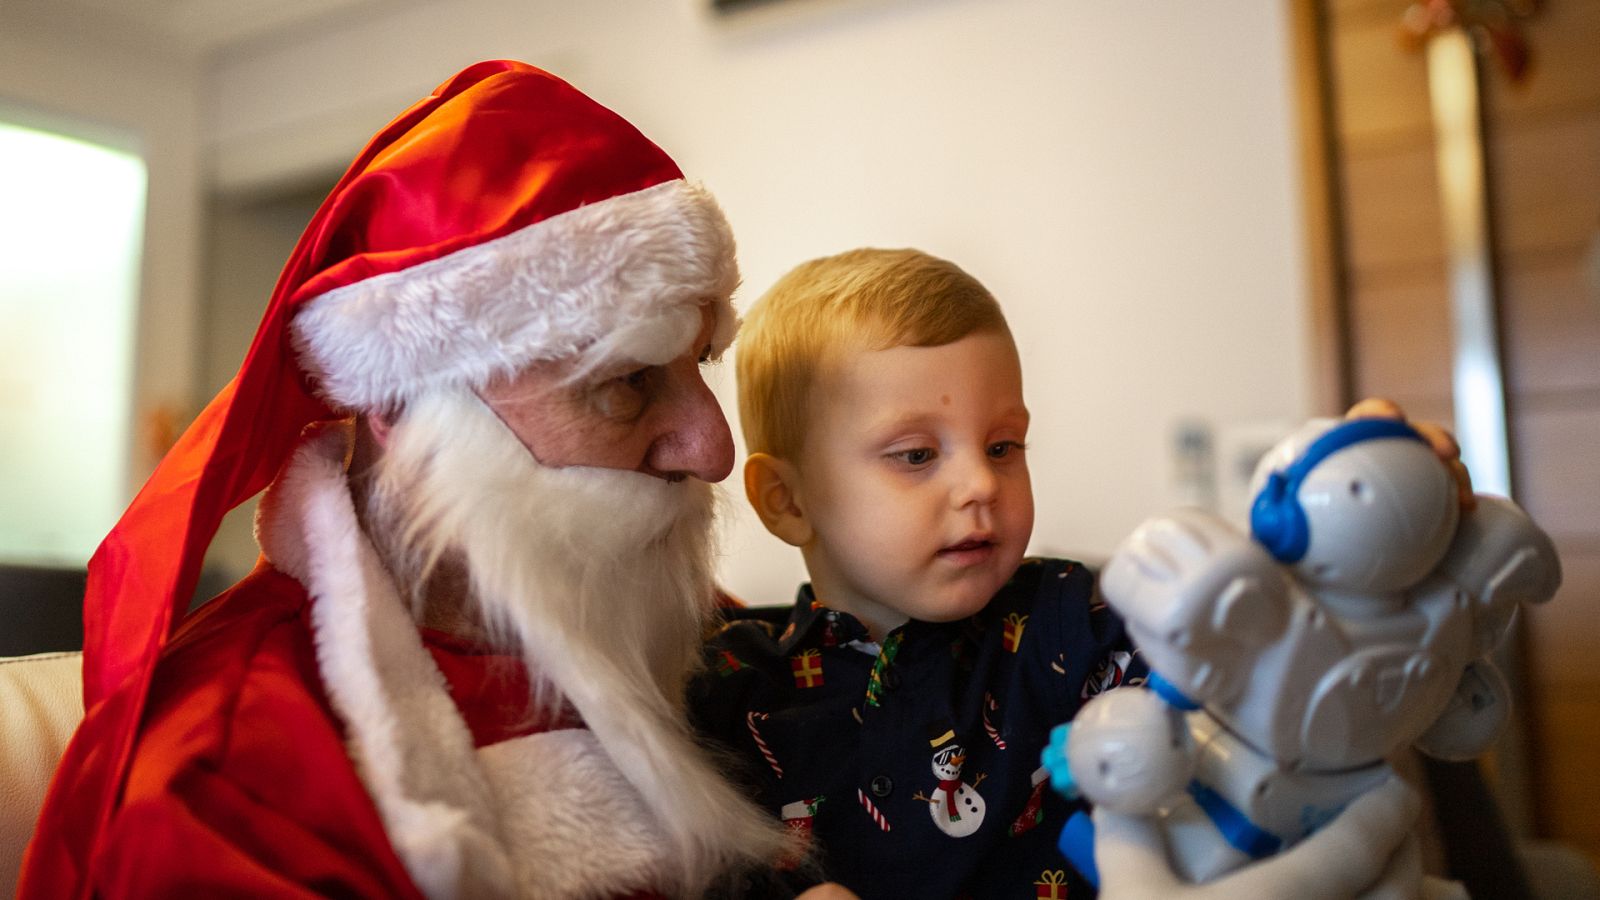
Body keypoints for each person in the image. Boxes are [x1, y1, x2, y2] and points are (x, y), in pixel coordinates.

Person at [19, 59, 825, 899]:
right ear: (402, 409)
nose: (713, 450)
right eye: (625, 384)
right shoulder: (233, 777)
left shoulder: (718, 642)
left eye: (702, 363)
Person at [691, 248, 1439, 898]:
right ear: (787, 502)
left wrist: (1363, 512)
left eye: (1002, 446)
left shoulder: (1065, 618)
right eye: (917, 455)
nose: (980, 485)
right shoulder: (727, 679)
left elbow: (1244, 629)